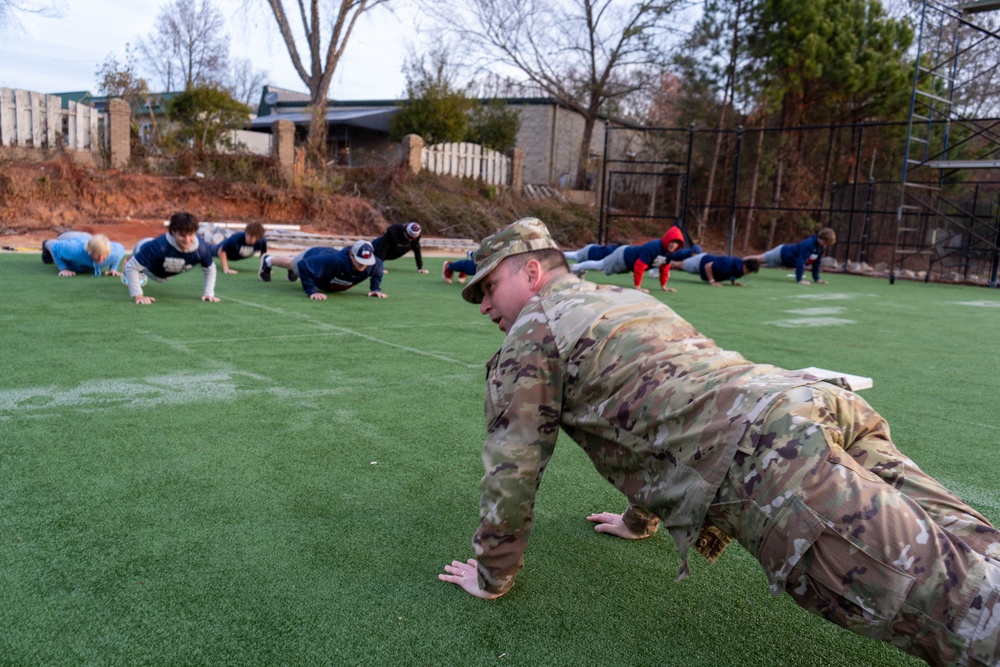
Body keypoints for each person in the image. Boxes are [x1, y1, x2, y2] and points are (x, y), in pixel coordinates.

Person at [438, 217, 1000, 666]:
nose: (484, 306)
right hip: (814, 402)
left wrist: (492, 574)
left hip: (774, 460)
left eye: (487, 287)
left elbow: (513, 468)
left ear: (531, 272)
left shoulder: (532, 336)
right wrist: (639, 519)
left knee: (963, 613)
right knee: (981, 550)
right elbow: (657, 405)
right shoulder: (621, 300)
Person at [122, 212, 219, 306]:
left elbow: (210, 269)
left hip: (162, 270)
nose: (187, 240)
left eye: (191, 235)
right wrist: (139, 296)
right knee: (134, 264)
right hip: (144, 251)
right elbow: (131, 267)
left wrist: (209, 293)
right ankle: (130, 259)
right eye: (182, 235)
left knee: (155, 267)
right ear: (173, 232)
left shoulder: (201, 249)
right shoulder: (159, 246)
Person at [569, 225, 687, 292]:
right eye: (672, 241)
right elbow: (640, 266)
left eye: (677, 243)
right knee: (601, 265)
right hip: (623, 256)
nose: (674, 245)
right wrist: (637, 287)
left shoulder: (670, 253)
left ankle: (578, 268)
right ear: (667, 239)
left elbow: (665, 268)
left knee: (601, 266)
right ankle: (575, 267)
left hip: (627, 262)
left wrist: (663, 286)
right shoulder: (653, 247)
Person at [258, 240, 387, 300]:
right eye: (360, 261)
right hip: (314, 255)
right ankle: (268, 260)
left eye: (366, 262)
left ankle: (294, 269)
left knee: (299, 266)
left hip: (323, 271)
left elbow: (378, 270)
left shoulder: (374, 264)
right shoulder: (333, 260)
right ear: (351, 255)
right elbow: (304, 265)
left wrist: (375, 289)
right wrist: (311, 291)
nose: (363, 265)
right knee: (293, 264)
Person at [745, 227, 836, 285]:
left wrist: (817, 279)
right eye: (825, 242)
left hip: (786, 261)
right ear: (820, 238)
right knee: (759, 259)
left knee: (759, 263)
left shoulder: (821, 247)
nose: (826, 245)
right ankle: (738, 262)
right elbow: (801, 261)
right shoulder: (809, 244)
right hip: (781, 253)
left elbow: (816, 262)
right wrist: (799, 280)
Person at [41, 231, 126, 278]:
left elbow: (117, 256)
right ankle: (45, 243)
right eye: (97, 255)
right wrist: (63, 268)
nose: (100, 259)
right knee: (52, 244)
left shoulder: (116, 251)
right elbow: (55, 248)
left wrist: (113, 269)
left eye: (104, 256)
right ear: (88, 251)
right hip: (69, 236)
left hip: (88, 236)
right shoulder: (73, 249)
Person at [671, 253, 760, 287]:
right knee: (677, 265)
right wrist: (712, 281)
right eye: (748, 271)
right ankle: (660, 264)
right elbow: (708, 266)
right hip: (700, 262)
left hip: (703, 267)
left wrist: (734, 281)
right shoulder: (727, 264)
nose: (747, 274)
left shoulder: (739, 269)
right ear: (745, 266)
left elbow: (732, 273)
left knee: (679, 268)